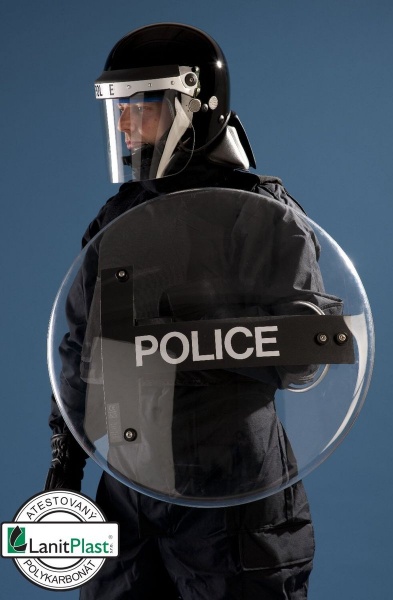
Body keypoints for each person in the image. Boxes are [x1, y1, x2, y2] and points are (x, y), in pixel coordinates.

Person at [45, 22, 338, 599]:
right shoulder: (117, 220)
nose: (124, 124)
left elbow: (307, 351)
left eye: (141, 106)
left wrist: (181, 343)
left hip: (236, 496)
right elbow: (81, 352)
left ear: (195, 106)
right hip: (130, 490)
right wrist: (65, 463)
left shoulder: (261, 215)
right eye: (119, 108)